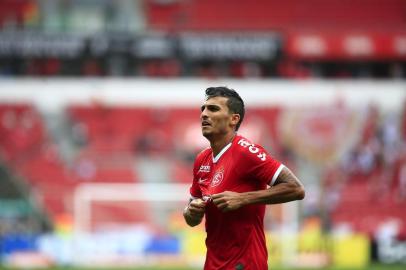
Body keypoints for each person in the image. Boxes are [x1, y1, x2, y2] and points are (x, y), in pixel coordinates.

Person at [183, 86, 305, 270]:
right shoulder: (202, 159)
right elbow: (191, 220)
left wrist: (243, 198)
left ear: (234, 119)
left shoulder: (246, 152)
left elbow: (296, 188)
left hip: (245, 264)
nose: (204, 114)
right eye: (203, 109)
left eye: (213, 109)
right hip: (213, 264)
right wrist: (191, 211)